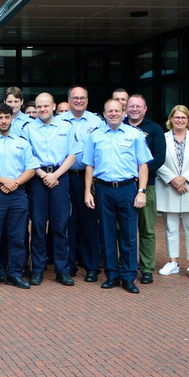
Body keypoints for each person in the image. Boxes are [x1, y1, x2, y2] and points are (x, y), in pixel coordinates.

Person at [84, 99, 152, 294]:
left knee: (129, 234)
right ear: (103, 114)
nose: (113, 113)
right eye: (109, 111)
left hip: (128, 188)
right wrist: (88, 191)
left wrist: (142, 191)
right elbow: (89, 165)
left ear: (124, 113)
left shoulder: (135, 135)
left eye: (117, 110)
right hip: (104, 189)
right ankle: (112, 275)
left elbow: (143, 165)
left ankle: (129, 277)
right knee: (107, 234)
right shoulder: (95, 136)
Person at [0, 103, 38, 289]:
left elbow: (31, 169)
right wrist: (5, 181)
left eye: (6, 117)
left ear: (12, 118)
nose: (3, 121)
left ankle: (15, 273)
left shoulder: (22, 142)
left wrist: (15, 183)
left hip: (18, 193)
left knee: (18, 236)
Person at [25, 93, 80, 286]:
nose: (42, 109)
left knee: (60, 225)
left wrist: (55, 176)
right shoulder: (28, 128)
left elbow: (72, 155)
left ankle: (62, 269)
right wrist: (43, 175)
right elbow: (28, 156)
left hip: (60, 177)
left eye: (46, 106)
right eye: (39, 106)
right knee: (38, 226)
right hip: (38, 178)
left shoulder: (66, 126)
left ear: (54, 106)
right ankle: (37, 269)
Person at [57, 85, 105, 282]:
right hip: (65, 176)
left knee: (89, 223)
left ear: (87, 100)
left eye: (82, 97)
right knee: (67, 221)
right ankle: (69, 264)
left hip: (88, 177)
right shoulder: (59, 121)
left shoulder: (97, 121)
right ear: (68, 100)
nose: (78, 101)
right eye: (75, 98)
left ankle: (92, 266)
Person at [124, 94, 166, 284]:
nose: (134, 109)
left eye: (138, 106)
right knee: (122, 228)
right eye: (131, 106)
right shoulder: (119, 126)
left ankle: (147, 268)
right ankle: (124, 263)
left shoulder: (154, 129)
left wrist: (140, 172)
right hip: (123, 185)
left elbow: (159, 157)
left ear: (145, 109)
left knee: (147, 228)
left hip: (146, 186)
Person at [157, 105, 189, 276]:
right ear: (171, 119)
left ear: (188, 120)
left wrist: (184, 177)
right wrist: (174, 179)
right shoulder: (163, 138)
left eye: (183, 117)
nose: (180, 120)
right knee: (171, 227)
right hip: (169, 187)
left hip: (188, 188)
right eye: (177, 117)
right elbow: (158, 160)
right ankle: (173, 262)